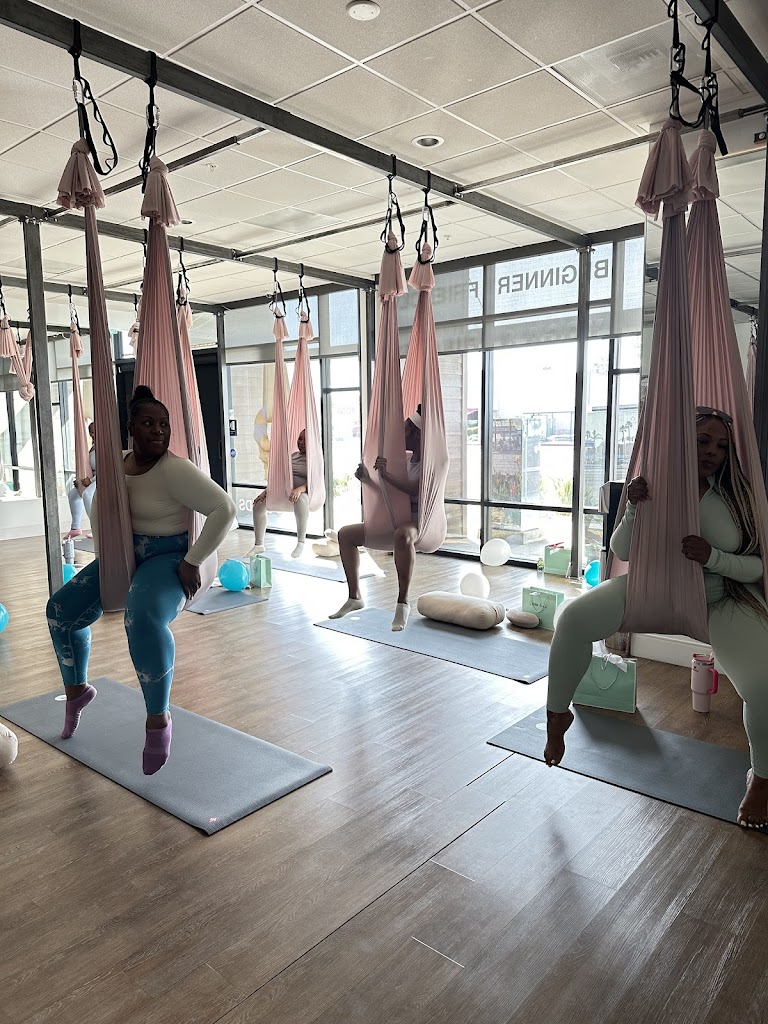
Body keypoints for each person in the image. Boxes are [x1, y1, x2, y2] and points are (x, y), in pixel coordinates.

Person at [545, 407, 768, 829]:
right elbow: (623, 551)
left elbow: (758, 567)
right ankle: (557, 715)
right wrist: (632, 505)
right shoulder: (652, 489)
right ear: (684, 442)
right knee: (572, 618)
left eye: (720, 445)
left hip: (718, 599)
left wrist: (714, 557)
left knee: (763, 683)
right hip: (652, 587)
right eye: (703, 440)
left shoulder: (733, 496)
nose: (712, 452)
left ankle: (762, 777)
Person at [46, 386, 235, 775]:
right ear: (131, 428)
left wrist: (192, 560)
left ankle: (158, 720)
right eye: (148, 423)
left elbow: (224, 508)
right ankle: (77, 691)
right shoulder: (118, 463)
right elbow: (100, 501)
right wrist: (107, 555)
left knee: (142, 616)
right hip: (125, 554)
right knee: (60, 612)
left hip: (167, 557)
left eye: (164, 424)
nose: (158, 431)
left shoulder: (174, 468)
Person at [331, 406, 423, 632]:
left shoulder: (430, 463)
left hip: (419, 522)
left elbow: (413, 489)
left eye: (404, 431)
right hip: (395, 519)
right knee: (345, 534)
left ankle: (403, 603)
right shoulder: (406, 461)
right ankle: (355, 597)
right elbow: (389, 495)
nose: (400, 437)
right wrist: (367, 480)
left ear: (417, 434)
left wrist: (387, 474)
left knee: (403, 534)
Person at [251, 429, 309, 559]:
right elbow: (280, 478)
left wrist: (300, 489)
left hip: (305, 494)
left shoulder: (315, 459)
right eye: (300, 439)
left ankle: (301, 542)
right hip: (285, 494)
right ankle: (259, 544)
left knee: (300, 499)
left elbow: (316, 482)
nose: (302, 443)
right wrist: (265, 492)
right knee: (258, 504)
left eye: (306, 440)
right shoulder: (293, 456)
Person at [64, 420, 96, 540]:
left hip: (101, 479)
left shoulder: (104, 447)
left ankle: (96, 528)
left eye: (94, 432)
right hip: (92, 478)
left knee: (88, 494)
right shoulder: (93, 447)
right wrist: (80, 480)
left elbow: (107, 469)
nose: (92, 435)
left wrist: (91, 481)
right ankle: (75, 527)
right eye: (90, 432)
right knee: (73, 494)